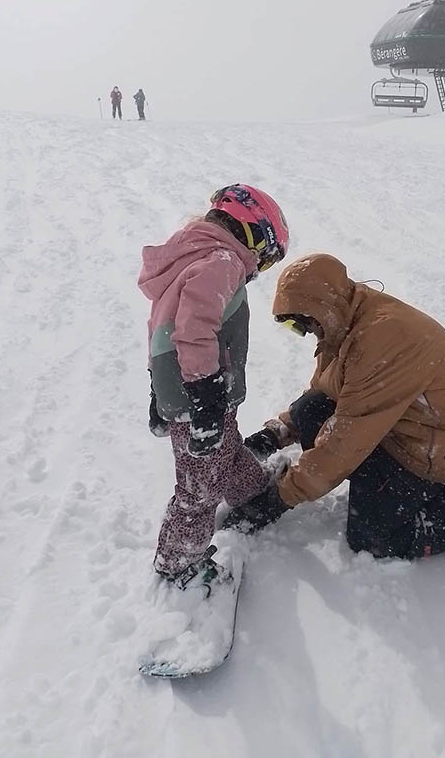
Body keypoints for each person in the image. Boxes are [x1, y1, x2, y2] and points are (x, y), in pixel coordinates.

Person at [224, 254, 445, 559]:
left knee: (374, 539)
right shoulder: (344, 318)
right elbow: (324, 390)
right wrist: (276, 434)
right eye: (294, 326)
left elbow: (345, 440)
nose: (304, 331)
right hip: (400, 428)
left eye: (302, 323)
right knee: (311, 412)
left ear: (322, 307)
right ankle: (396, 493)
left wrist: (278, 499)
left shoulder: (382, 339)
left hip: (434, 448)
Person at [138, 184, 289, 588]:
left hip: (197, 390)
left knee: (226, 450)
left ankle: (252, 493)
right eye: (267, 257)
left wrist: (158, 388)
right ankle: (177, 565)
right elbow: (191, 331)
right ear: (253, 235)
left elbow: (161, 326)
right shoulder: (221, 262)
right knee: (197, 490)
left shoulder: (194, 254)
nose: (261, 267)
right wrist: (204, 397)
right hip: (199, 395)